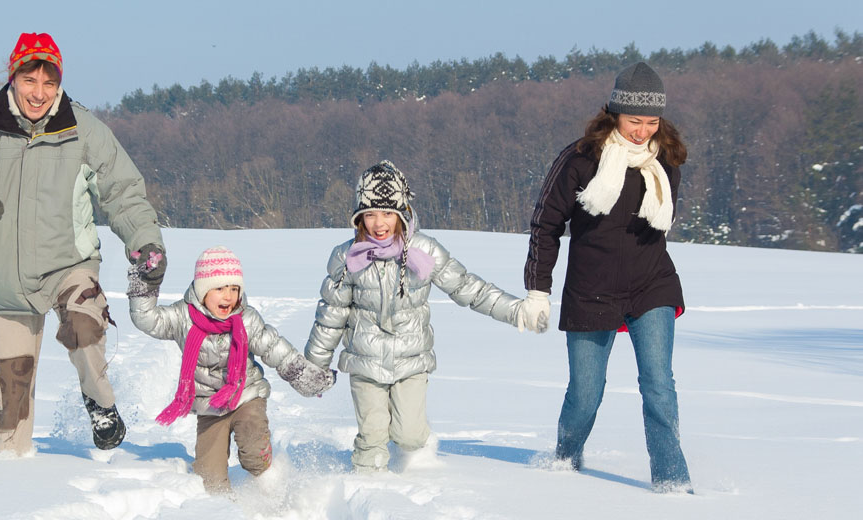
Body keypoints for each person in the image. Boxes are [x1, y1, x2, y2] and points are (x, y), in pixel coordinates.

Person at [0, 32, 167, 457]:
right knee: (9, 402)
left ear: (59, 84)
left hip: (69, 265)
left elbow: (123, 192)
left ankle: (100, 404)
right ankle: (13, 474)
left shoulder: (84, 129)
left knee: (84, 322)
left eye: (49, 82)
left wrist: (145, 241)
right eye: (29, 81)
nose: (38, 93)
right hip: (4, 277)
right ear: (13, 79)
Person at [521, 62, 693, 492]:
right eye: (634, 121)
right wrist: (538, 290)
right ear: (615, 113)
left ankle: (673, 483)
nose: (642, 131)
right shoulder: (580, 159)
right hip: (591, 291)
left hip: (651, 284)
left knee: (659, 387)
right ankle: (564, 464)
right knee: (585, 394)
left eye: (651, 121)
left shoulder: (665, 159)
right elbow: (546, 225)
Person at [304, 160, 534, 473]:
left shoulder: (423, 251)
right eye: (369, 214)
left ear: (401, 213)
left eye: (387, 213)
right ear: (359, 217)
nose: (379, 223)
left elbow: (468, 287)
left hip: (411, 360)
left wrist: (515, 310)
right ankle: (366, 489)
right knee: (372, 436)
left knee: (409, 436)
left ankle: (415, 463)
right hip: (365, 360)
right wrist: (314, 366)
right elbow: (330, 315)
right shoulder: (348, 257)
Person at [127, 246, 335, 493]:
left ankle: (270, 475)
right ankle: (222, 511)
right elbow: (146, 319)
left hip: (246, 395)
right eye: (219, 288)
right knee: (209, 480)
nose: (228, 296)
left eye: (234, 288)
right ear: (203, 289)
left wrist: (306, 377)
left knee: (253, 452)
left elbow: (275, 349)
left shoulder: (246, 319)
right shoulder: (183, 318)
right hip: (209, 405)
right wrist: (143, 280)